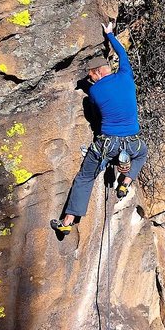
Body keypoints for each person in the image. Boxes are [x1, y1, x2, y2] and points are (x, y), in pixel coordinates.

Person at [51, 21, 147, 235]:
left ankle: (67, 221)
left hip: (108, 143)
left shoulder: (94, 93)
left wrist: (86, 85)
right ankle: (126, 182)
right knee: (143, 153)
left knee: (85, 178)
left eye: (90, 75)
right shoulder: (126, 75)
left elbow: (96, 112)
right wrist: (110, 35)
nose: (89, 79)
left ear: (96, 73)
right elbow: (122, 53)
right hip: (133, 143)